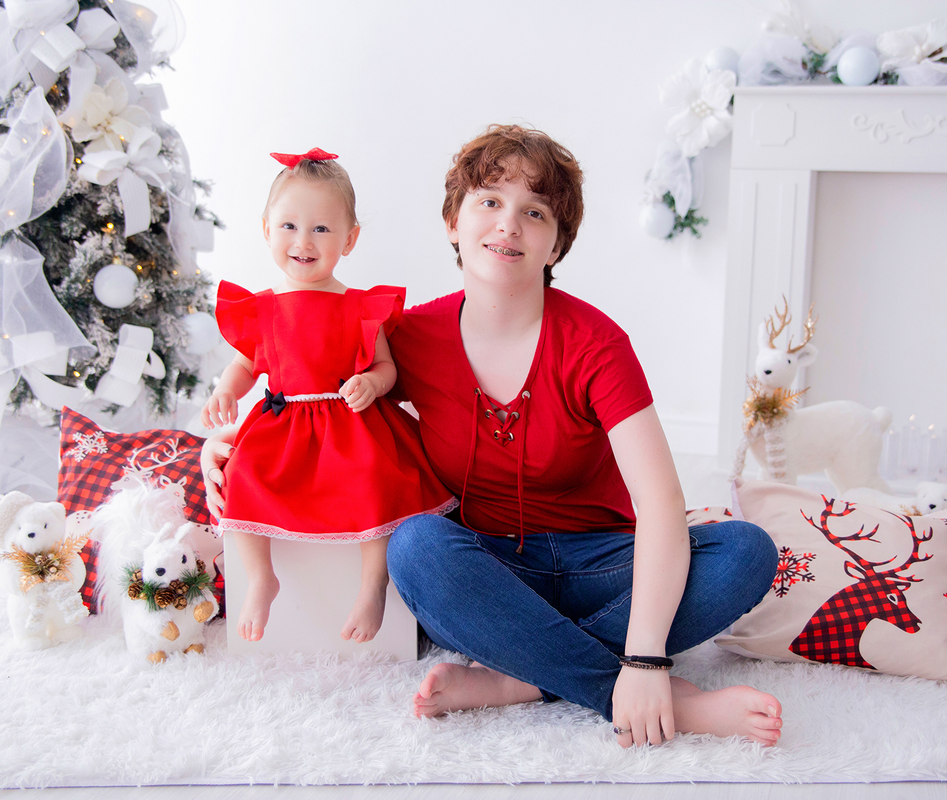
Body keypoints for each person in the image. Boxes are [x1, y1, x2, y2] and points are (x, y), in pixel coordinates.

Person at [204, 127, 782, 748]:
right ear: (453, 222)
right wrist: (225, 443)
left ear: (556, 243)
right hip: (484, 571)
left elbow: (661, 504)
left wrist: (647, 658)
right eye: (488, 202)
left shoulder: (596, 344)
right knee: (418, 545)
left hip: (602, 563)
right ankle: (651, 699)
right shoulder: (411, 335)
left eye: (534, 212)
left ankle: (523, 678)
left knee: (747, 552)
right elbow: (304, 394)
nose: (508, 224)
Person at [200, 148, 456, 644]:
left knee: (377, 480)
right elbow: (246, 363)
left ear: (349, 239)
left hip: (349, 423)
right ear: (266, 229)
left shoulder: (359, 306)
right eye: (290, 226)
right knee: (241, 477)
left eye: (321, 229)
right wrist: (225, 391)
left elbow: (386, 365)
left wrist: (373, 383)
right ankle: (260, 578)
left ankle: (373, 584)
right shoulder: (262, 308)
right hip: (283, 421)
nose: (303, 241)